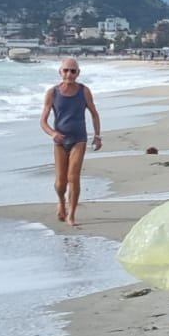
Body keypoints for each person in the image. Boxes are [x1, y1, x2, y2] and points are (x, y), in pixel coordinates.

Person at [38, 58, 102, 226]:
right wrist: (52, 134)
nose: (69, 74)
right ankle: (61, 201)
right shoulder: (53, 93)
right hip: (60, 141)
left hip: (78, 139)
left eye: (73, 71)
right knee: (61, 182)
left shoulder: (84, 91)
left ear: (78, 73)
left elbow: (94, 113)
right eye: (66, 70)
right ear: (60, 72)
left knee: (73, 177)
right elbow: (43, 121)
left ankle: (71, 214)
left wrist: (97, 136)